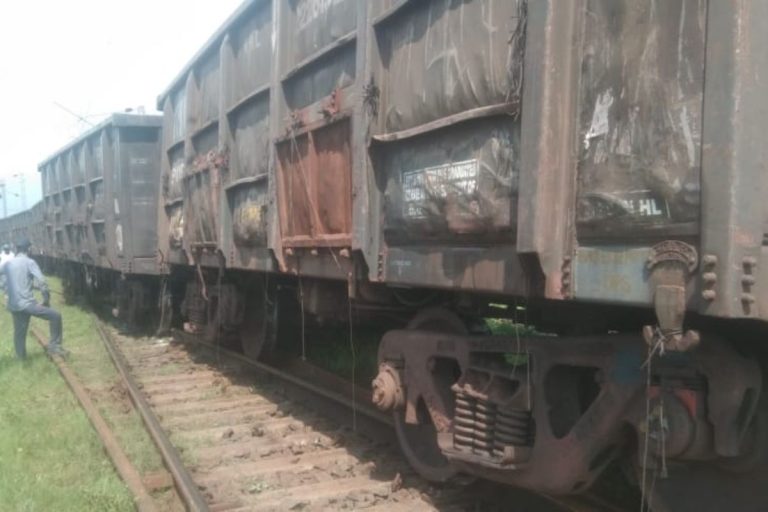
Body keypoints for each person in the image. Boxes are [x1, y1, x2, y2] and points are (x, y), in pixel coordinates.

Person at [2, 238, 66, 359]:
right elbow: (42, 282)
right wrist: (46, 300)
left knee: (19, 332)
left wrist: (5, 287)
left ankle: (20, 358)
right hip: (27, 305)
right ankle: (54, 347)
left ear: (17, 249)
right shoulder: (29, 262)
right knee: (55, 316)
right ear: (29, 249)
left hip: (14, 306)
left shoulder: (8, 264)